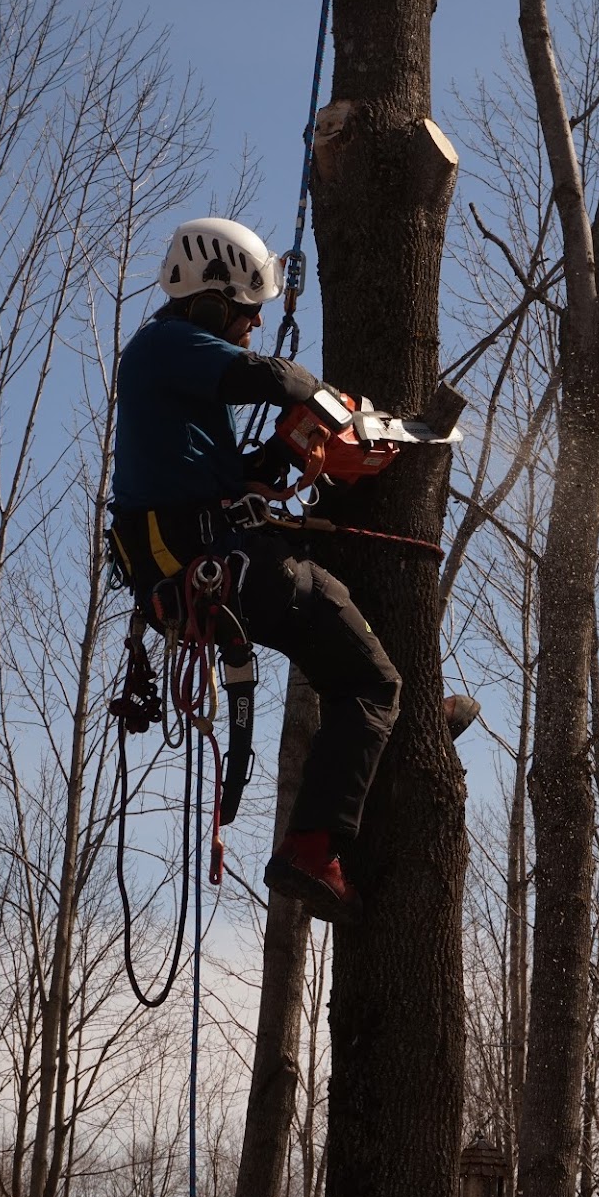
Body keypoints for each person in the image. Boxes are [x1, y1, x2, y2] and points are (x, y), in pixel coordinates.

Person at [109, 216, 404, 925]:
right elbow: (265, 375)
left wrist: (286, 457)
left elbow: (209, 475)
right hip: (218, 565)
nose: (252, 323)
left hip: (204, 558)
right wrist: (331, 407)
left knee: (345, 648)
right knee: (372, 679)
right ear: (209, 298)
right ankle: (312, 849)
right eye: (245, 309)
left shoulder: (169, 365)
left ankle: (376, 754)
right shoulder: (167, 344)